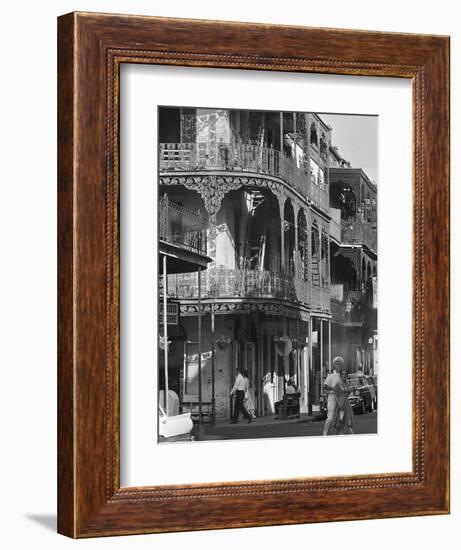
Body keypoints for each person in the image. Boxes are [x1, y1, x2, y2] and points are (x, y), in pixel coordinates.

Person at [331, 368, 356, 435]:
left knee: (348, 421)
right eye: (343, 374)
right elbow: (335, 395)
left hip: (346, 403)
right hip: (340, 404)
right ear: (341, 375)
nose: (344, 375)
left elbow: (346, 394)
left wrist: (351, 390)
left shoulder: (347, 383)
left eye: (345, 374)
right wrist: (339, 403)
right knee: (340, 422)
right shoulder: (338, 384)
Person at [322, 356, 342, 436]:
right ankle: (325, 433)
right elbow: (325, 387)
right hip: (332, 399)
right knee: (330, 418)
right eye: (337, 363)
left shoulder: (343, 375)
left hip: (341, 399)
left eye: (340, 363)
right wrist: (333, 389)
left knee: (340, 418)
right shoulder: (330, 376)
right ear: (334, 365)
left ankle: (339, 434)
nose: (338, 365)